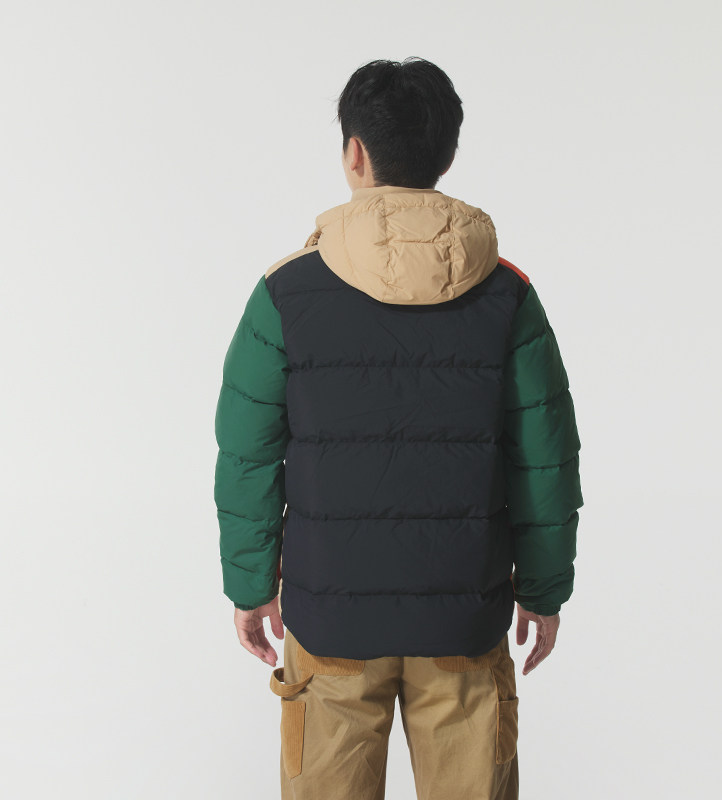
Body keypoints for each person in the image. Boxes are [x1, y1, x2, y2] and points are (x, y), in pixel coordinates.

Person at [214, 56, 583, 800]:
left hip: (331, 619)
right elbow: (545, 456)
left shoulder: (285, 294)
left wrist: (250, 584)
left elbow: (248, 452)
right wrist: (544, 590)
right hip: (465, 620)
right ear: (445, 155)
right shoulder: (508, 295)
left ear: (355, 153)